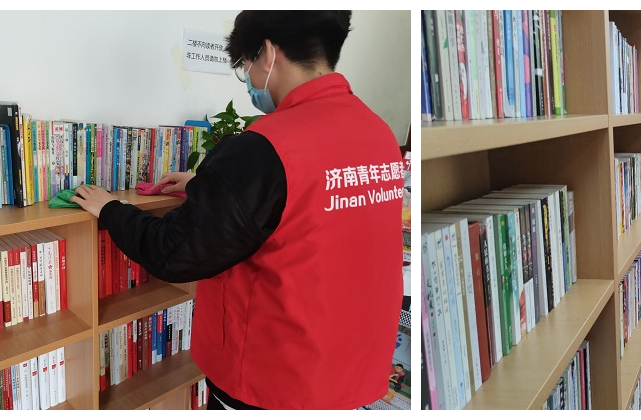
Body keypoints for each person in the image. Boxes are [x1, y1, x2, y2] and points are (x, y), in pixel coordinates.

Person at [72, 10, 404, 409]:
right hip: (351, 372)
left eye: (244, 64)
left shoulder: (266, 146)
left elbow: (174, 252)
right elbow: (310, 206)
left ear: (267, 53)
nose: (247, 77)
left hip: (274, 380)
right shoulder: (378, 132)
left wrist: (112, 208)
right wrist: (204, 186)